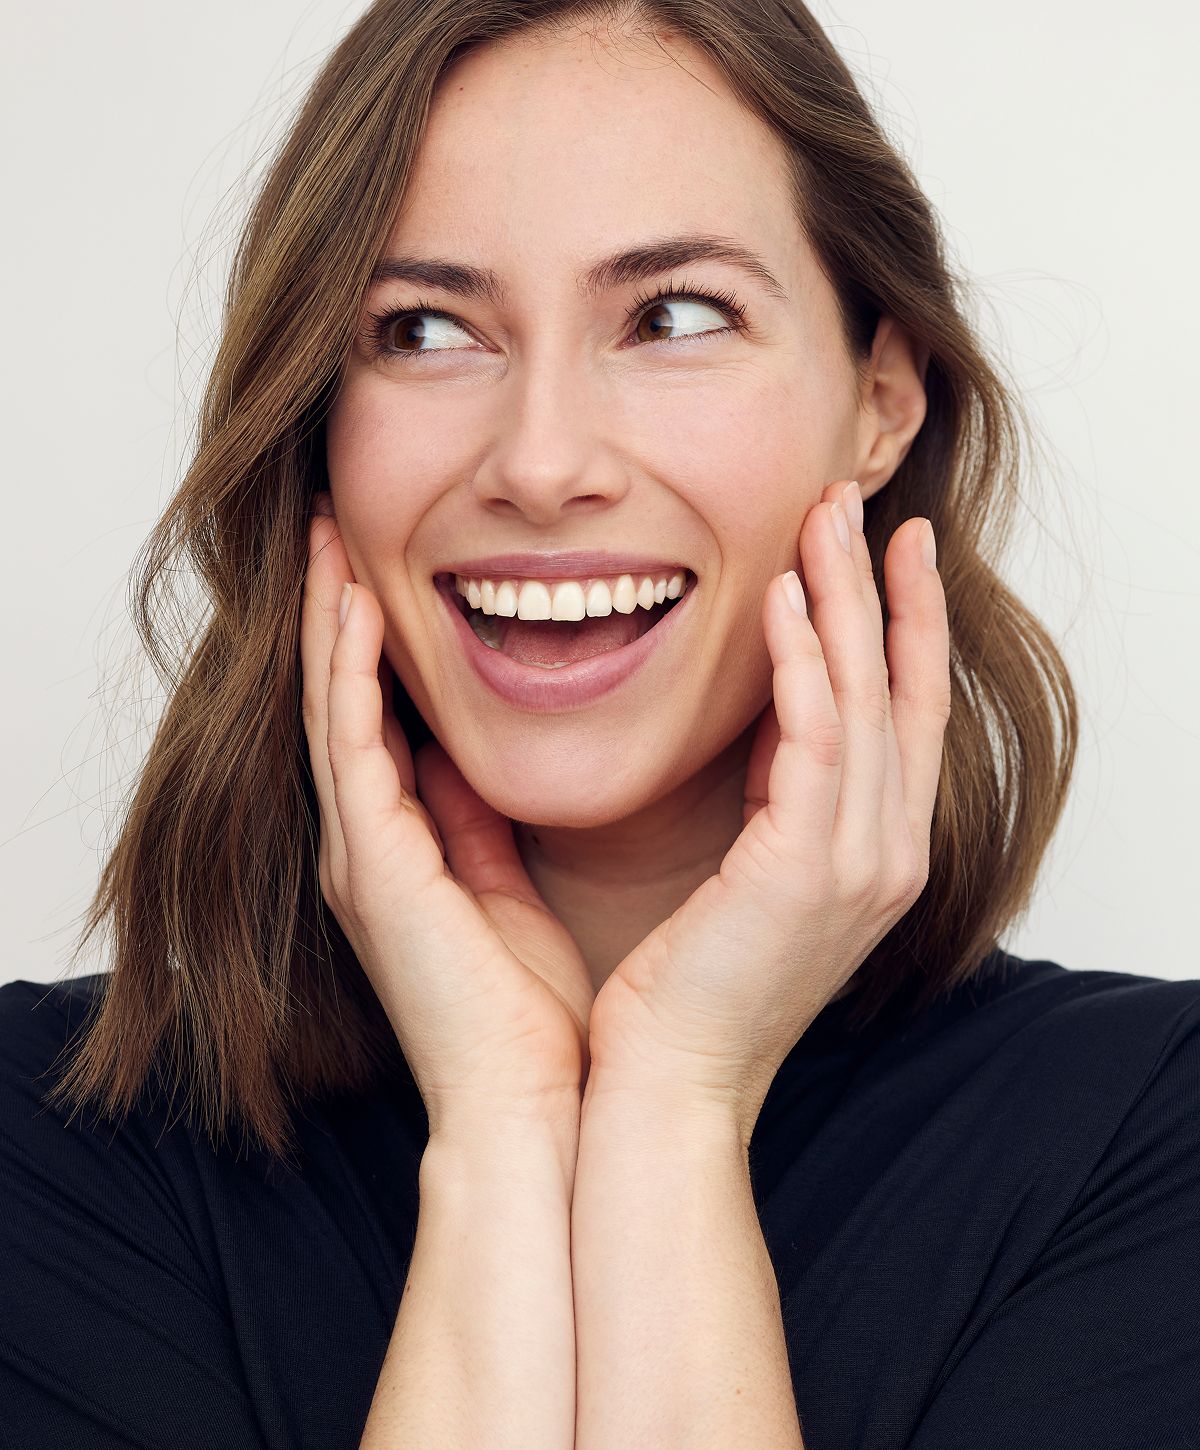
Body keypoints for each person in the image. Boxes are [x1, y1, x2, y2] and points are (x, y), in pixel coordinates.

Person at [3, 1, 1197, 1446]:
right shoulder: (46, 1143)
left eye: (675, 315)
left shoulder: (1150, 1142)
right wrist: (503, 1129)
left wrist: (673, 1109)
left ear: (880, 398)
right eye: (424, 329)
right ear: (315, 416)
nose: (543, 459)